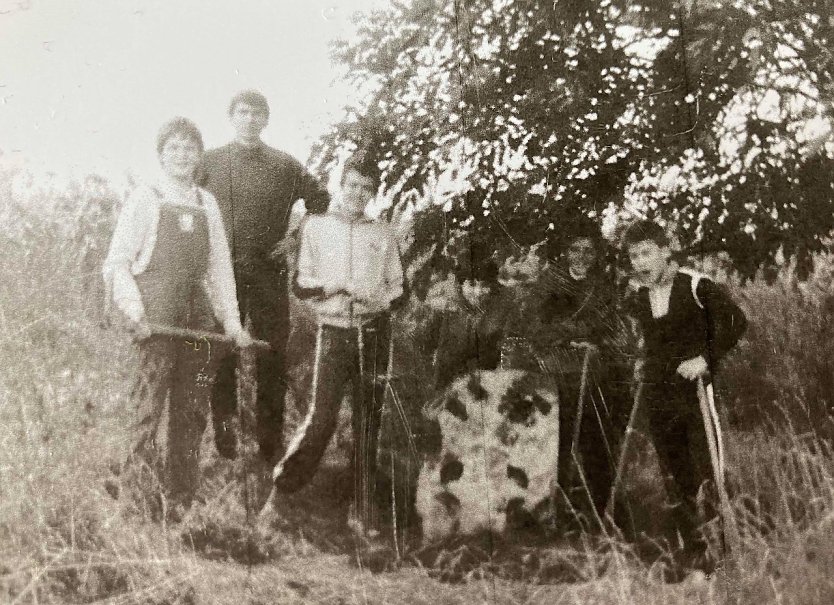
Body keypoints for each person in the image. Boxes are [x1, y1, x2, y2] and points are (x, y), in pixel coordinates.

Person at [102, 117, 252, 514]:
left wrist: (233, 325)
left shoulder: (208, 204)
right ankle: (134, 502)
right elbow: (117, 264)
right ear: (161, 155)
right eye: (174, 148)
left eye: (190, 148)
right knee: (146, 413)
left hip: (197, 326)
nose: (183, 156)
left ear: (200, 156)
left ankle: (181, 504)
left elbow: (220, 270)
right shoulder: (146, 198)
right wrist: (136, 313)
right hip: (155, 321)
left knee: (191, 414)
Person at [268, 151, 405, 539]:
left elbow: (399, 288)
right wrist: (334, 289)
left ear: (373, 192)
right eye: (353, 185)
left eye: (367, 188)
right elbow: (300, 285)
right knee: (321, 418)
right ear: (340, 185)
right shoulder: (316, 227)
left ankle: (361, 515)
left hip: (375, 333)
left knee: (369, 425)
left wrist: (381, 302)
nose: (359, 193)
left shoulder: (383, 232)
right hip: (333, 333)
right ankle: (281, 497)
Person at [198, 90, 330, 465]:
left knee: (272, 354)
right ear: (231, 117)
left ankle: (269, 446)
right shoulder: (209, 162)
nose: (250, 119)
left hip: (269, 272)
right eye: (242, 112)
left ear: (266, 120)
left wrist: (293, 240)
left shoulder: (284, 165)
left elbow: (321, 201)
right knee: (222, 350)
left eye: (257, 113)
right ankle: (225, 440)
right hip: (222, 270)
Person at [621, 219, 747, 576]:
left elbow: (736, 323)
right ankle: (693, 554)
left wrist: (705, 358)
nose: (640, 262)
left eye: (647, 252)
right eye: (634, 256)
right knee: (674, 474)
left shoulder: (695, 285)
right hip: (660, 397)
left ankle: (725, 555)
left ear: (664, 251)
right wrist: (643, 364)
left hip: (695, 394)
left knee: (707, 469)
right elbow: (653, 342)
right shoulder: (640, 296)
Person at [535, 218, 628, 524]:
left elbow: (612, 328)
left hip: (594, 377)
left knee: (596, 444)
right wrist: (576, 334)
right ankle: (555, 513)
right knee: (556, 445)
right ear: (565, 251)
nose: (582, 257)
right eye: (575, 249)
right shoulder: (549, 283)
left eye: (589, 251)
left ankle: (600, 513)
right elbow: (537, 329)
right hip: (556, 376)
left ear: (597, 253)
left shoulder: (604, 287)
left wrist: (586, 338)